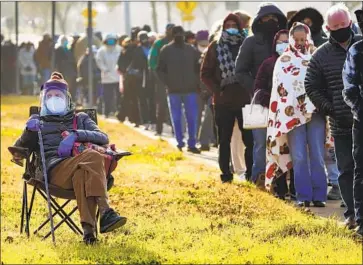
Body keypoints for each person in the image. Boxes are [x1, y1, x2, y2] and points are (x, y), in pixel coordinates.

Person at [12, 72, 127, 244]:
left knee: (83, 174)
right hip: (53, 174)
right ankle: (106, 212)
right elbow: (18, 152)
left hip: (83, 172)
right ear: (43, 99)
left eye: (57, 95)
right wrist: (28, 131)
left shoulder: (80, 118)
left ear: (66, 99)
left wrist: (75, 135)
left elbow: (103, 137)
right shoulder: (38, 122)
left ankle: (89, 235)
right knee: (92, 156)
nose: (53, 99)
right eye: (49, 96)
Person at [305, 3, 362, 228]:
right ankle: (352, 214)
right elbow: (311, 85)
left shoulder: (361, 46)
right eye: (334, 26)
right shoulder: (321, 55)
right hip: (342, 122)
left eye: (343, 25)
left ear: (350, 24)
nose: (340, 29)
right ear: (328, 29)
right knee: (346, 169)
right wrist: (330, 108)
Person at [288, 7, 341, 200]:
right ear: (291, 40)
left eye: (304, 39)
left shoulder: (316, 58)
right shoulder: (283, 61)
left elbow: (326, 83)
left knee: (318, 155)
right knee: (299, 156)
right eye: (297, 40)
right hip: (292, 115)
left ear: (308, 39)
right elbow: (280, 90)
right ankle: (303, 196)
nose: (301, 43)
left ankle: (319, 195)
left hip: (316, 113)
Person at [235, 2, 287, 184]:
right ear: (259, 21)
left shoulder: (285, 41)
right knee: (259, 144)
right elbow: (239, 71)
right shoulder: (250, 42)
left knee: (282, 143)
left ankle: (280, 182)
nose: (271, 21)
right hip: (257, 102)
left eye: (275, 18)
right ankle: (258, 179)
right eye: (267, 18)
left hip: (284, 102)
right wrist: (257, 89)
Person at [201, 13, 253, 183]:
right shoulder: (215, 46)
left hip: (245, 99)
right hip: (223, 100)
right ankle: (226, 174)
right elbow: (205, 73)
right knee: (224, 140)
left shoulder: (247, 44)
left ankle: (250, 173)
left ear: (239, 27)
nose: (231, 28)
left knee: (249, 140)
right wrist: (217, 90)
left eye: (234, 25)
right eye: (228, 25)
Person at [254, 29, 295, 197]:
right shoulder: (268, 63)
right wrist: (270, 101)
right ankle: (279, 188)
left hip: (292, 114)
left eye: (287, 41)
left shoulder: (297, 61)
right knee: (278, 149)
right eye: (280, 42)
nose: (283, 45)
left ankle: (294, 188)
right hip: (274, 115)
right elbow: (258, 86)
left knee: (294, 152)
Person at [157, 26, 201, 154]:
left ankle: (192, 143)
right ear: (172, 35)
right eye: (176, 33)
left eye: (181, 33)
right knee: (176, 118)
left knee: (192, 117)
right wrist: (168, 83)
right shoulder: (166, 50)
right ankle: (179, 142)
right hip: (173, 90)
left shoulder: (191, 50)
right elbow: (160, 69)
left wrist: (196, 82)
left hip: (190, 89)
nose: (179, 36)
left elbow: (198, 67)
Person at [342, 8, 363, 236]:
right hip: (362, 120)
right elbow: (349, 87)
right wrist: (360, 110)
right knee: (361, 171)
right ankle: (361, 221)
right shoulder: (357, 50)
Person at [149, 23, 175, 136]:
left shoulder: (179, 43)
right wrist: (159, 76)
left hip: (175, 79)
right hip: (161, 79)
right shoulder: (159, 43)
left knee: (175, 105)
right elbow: (152, 61)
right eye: (170, 30)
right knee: (161, 105)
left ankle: (175, 130)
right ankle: (159, 130)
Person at [195, 30, 215, 151]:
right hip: (206, 90)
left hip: (210, 89)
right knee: (207, 116)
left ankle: (209, 140)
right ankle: (203, 141)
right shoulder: (206, 54)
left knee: (210, 117)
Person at [96, 33, 122, 118]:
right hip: (107, 78)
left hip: (118, 77)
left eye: (112, 40)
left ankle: (119, 112)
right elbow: (99, 61)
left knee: (119, 96)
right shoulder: (102, 51)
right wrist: (105, 69)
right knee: (107, 96)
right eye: (109, 40)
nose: (111, 42)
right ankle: (106, 112)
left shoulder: (119, 49)